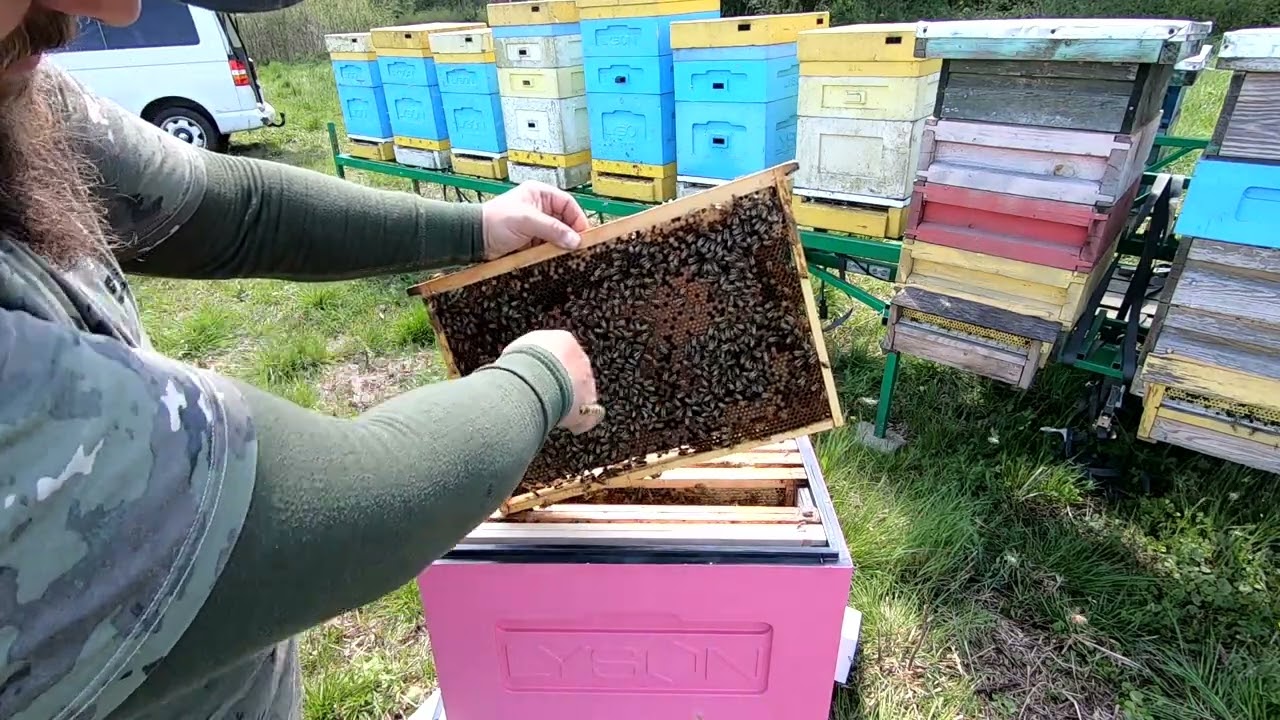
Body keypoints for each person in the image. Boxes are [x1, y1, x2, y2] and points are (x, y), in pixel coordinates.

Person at [0, 1, 605, 718]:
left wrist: (476, 225)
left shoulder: (15, 76)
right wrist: (538, 380)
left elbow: (235, 210)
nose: (117, 9)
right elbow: (339, 510)